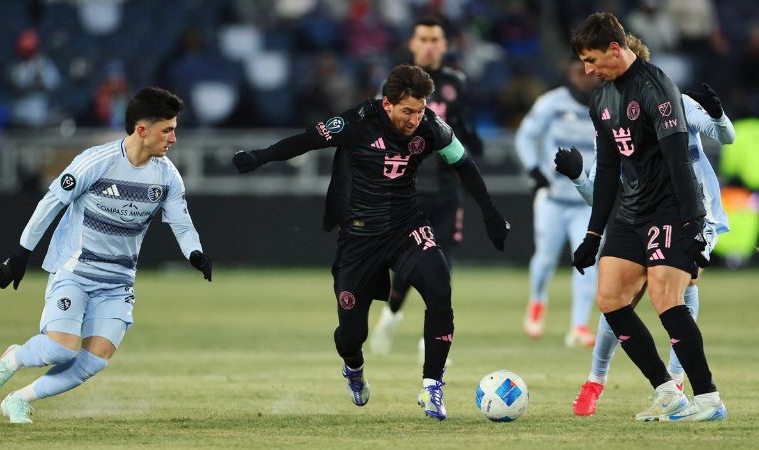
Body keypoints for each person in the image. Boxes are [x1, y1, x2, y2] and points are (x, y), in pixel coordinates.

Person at [232, 64, 509, 421]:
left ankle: (432, 387)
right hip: (360, 237)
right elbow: (305, 141)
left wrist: (490, 214)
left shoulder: (431, 127)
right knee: (351, 335)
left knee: (440, 286)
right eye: (407, 111)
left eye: (421, 110)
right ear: (388, 104)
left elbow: (465, 164)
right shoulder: (358, 120)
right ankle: (353, 368)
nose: (414, 119)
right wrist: (259, 157)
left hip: (406, 229)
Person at [0, 87, 213, 424]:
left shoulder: (166, 176)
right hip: (75, 271)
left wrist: (195, 253)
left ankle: (19, 399)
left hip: (118, 282)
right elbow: (51, 203)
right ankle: (15, 357)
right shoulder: (96, 161)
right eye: (168, 129)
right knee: (61, 348)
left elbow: (182, 222)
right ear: (142, 130)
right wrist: (20, 254)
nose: (174, 138)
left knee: (95, 359)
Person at [557, 34, 735, 416]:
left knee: (671, 294)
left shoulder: (667, 94)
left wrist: (692, 217)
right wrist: (591, 229)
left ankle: (701, 394)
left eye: (592, 60)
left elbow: (697, 153)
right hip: (633, 211)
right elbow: (606, 171)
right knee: (611, 297)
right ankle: (668, 389)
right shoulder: (603, 102)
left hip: (682, 209)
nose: (588, 70)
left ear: (617, 50)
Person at [368, 16, 484, 360]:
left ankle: (429, 335)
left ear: (444, 45)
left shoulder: (456, 83)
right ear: (413, 44)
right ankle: (391, 313)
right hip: (408, 190)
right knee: (407, 265)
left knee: (441, 264)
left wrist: (468, 138)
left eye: (436, 39)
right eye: (424, 38)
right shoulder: (394, 83)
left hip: (448, 190)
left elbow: (469, 136)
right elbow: (376, 131)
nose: (430, 44)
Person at [516, 57, 600, 347]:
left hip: (586, 202)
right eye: (579, 70)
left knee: (588, 262)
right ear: (570, 72)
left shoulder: (606, 105)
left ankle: (579, 325)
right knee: (545, 259)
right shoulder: (552, 103)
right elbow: (525, 137)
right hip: (553, 199)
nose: (585, 76)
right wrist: (533, 170)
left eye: (589, 70)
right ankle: (537, 300)